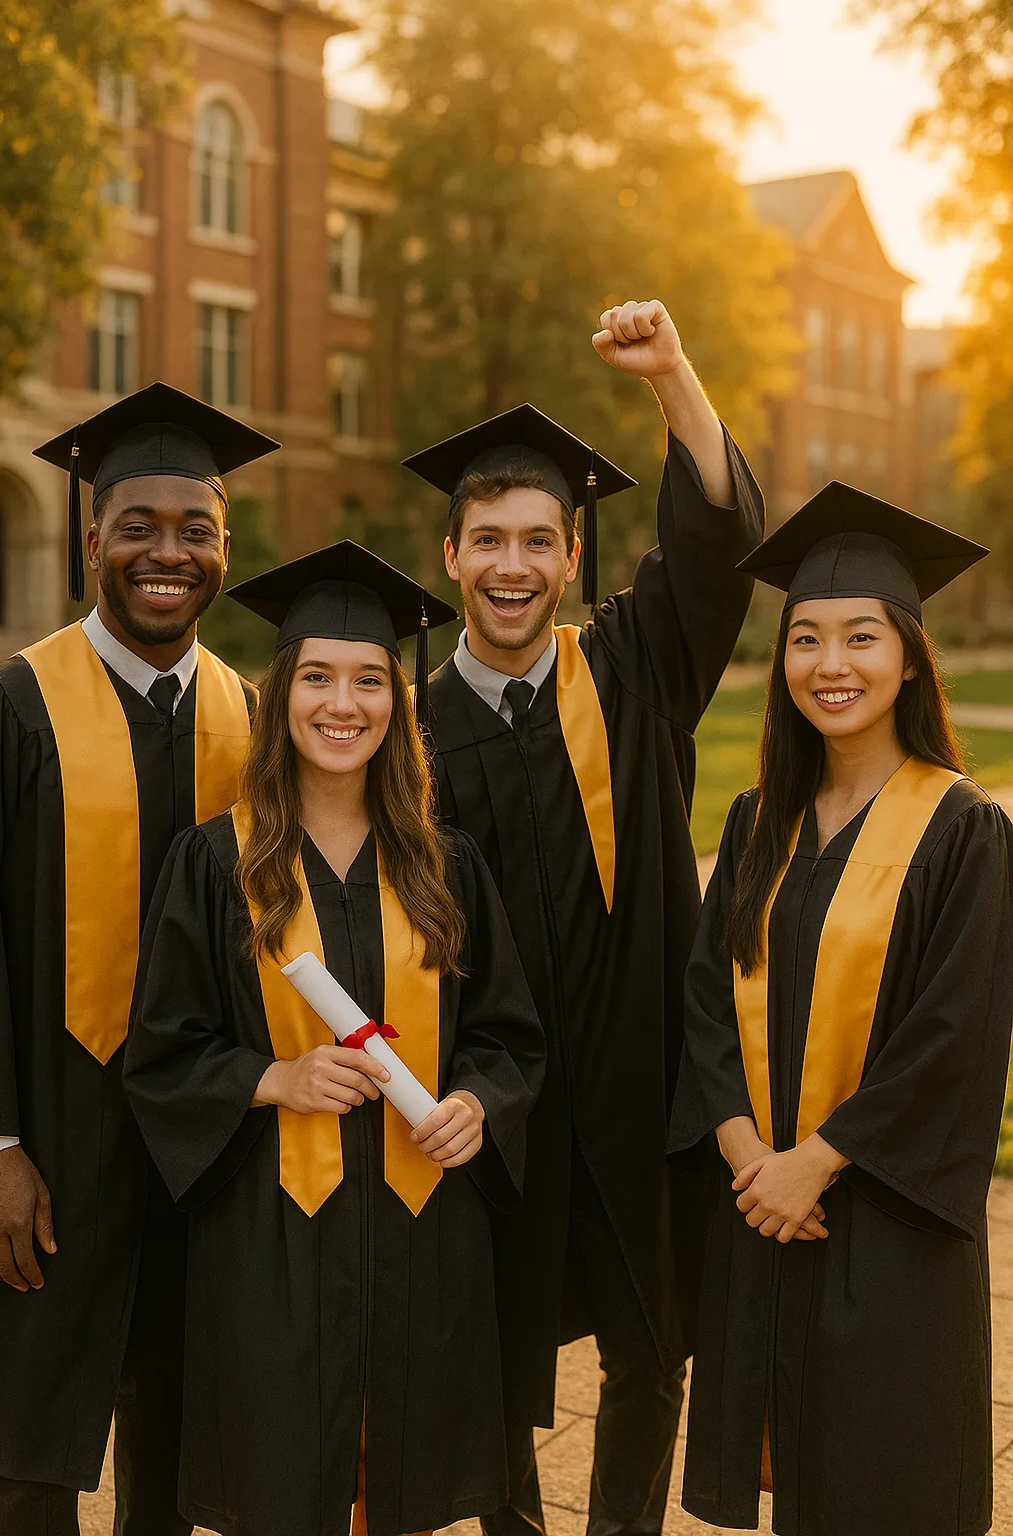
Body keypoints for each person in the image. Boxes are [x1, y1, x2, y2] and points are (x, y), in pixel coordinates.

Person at [402, 298, 765, 1536]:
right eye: (487, 541)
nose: (512, 565)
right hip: (486, 1101)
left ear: (572, 558)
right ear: (448, 557)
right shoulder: (397, 728)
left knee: (650, 1345)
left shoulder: (630, 668)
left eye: (538, 542)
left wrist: (673, 375)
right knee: (495, 1352)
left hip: (633, 1079)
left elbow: (716, 548)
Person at [122, 541, 546, 1536]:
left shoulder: (446, 866)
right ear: (280, 696)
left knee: (399, 1479)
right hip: (270, 1234)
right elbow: (162, 1048)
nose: (341, 704)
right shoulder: (216, 862)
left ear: (399, 706)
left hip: (421, 1231)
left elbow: (508, 1036)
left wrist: (480, 1104)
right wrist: (275, 1078)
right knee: (281, 1479)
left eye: (368, 681)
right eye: (315, 677)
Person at [667, 486, 1013, 1535]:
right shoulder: (757, 818)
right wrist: (745, 1158)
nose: (831, 663)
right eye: (805, 638)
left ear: (907, 656)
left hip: (879, 1218)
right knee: (795, 1481)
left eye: (861, 637)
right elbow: (704, 1004)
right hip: (765, 1205)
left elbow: (953, 1037)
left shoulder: (961, 829)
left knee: (885, 1482)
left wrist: (810, 1163)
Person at [0, 383, 277, 1536]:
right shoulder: (14, 706)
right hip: (49, 1139)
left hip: (200, 1152)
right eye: (140, 526)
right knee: (24, 1454)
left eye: (195, 529)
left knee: (175, 1448)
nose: (170, 552)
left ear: (224, 547)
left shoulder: (249, 716)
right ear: (91, 537)